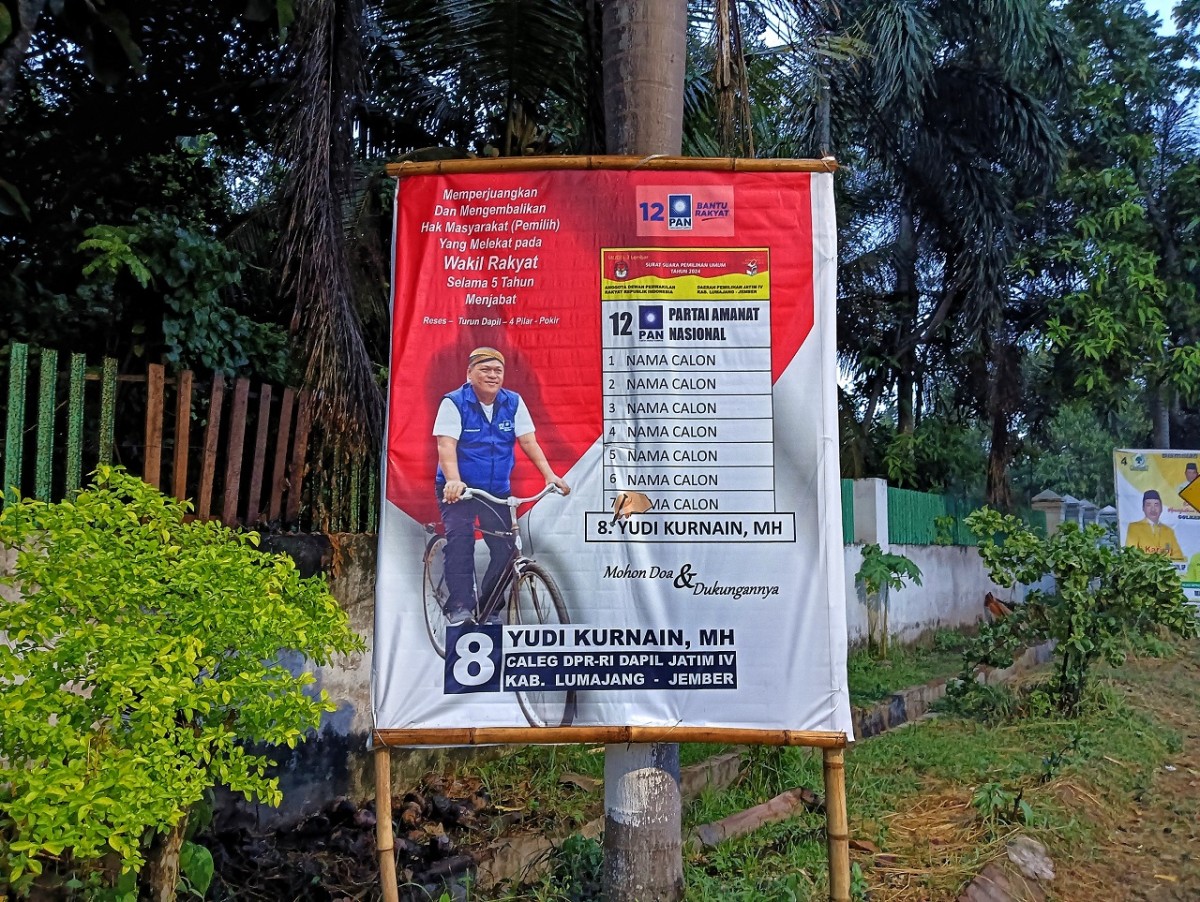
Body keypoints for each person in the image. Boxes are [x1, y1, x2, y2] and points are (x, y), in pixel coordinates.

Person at [433, 347, 570, 624]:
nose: (492, 375)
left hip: (495, 491)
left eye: (498, 371)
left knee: (506, 549)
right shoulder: (454, 402)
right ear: (469, 373)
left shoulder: (513, 402)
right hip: (459, 489)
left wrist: (549, 475)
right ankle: (459, 604)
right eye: (485, 369)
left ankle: (489, 607)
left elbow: (528, 441)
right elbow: (446, 445)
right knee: (461, 541)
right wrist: (453, 480)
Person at [1125, 489, 1184, 561]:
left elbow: (1178, 557)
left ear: (1161, 508)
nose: (1153, 509)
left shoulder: (1169, 531)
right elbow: (1131, 555)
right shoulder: (1134, 528)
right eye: (1148, 505)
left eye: (1156, 505)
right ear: (1143, 508)